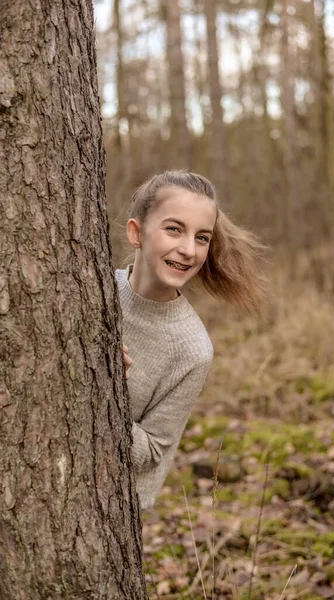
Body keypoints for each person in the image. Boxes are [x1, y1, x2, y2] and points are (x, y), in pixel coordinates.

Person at [116, 170, 268, 509]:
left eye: (202, 238)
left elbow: (153, 451)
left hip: (105, 514)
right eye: (174, 229)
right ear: (136, 233)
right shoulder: (91, 290)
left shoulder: (192, 349)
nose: (188, 250)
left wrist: (106, 392)